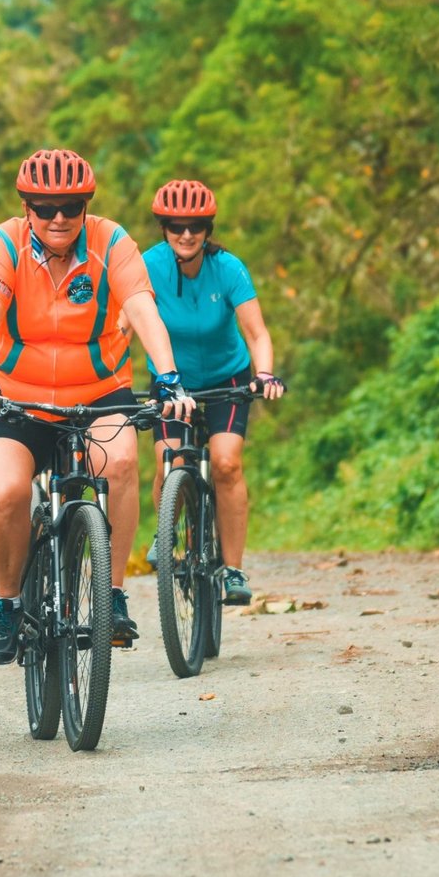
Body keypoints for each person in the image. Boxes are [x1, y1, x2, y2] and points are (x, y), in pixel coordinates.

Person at [0, 148, 194, 665]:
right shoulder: (4, 244)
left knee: (124, 463)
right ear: (27, 208)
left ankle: (110, 593)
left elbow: (142, 309)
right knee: (3, 493)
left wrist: (169, 378)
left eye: (70, 205)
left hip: (96, 392)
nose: (59, 217)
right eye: (45, 208)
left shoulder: (112, 242)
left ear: (86, 205)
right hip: (12, 395)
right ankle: (6, 603)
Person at [141, 179, 285, 606]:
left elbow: (257, 333)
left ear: (208, 228)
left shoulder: (229, 268)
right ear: (163, 227)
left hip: (227, 379)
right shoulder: (148, 266)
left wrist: (265, 373)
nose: (186, 234)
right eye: (176, 225)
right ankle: (166, 528)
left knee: (225, 464)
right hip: (173, 383)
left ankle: (233, 568)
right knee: (170, 463)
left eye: (196, 226)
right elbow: (123, 327)